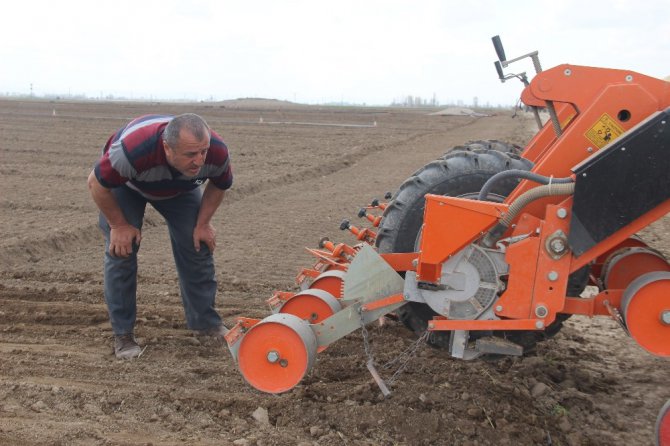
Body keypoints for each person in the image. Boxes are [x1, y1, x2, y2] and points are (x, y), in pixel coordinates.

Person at [87, 113, 233, 359]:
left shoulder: (216, 151)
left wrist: (203, 223)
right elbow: (96, 183)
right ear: (167, 147)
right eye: (190, 154)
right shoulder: (133, 150)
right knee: (122, 250)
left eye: (202, 152)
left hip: (180, 190)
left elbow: (219, 184)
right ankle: (123, 335)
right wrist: (119, 225)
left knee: (198, 243)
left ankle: (206, 323)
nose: (199, 161)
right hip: (128, 186)